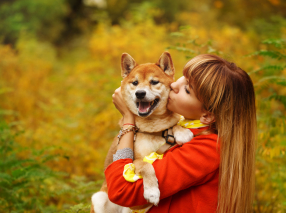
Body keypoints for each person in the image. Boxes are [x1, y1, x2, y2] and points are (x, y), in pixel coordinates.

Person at [107, 54, 257, 213]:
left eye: (187, 89)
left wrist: (128, 120)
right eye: (183, 78)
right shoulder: (182, 129)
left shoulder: (206, 149)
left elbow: (121, 191)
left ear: (208, 115)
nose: (173, 85)